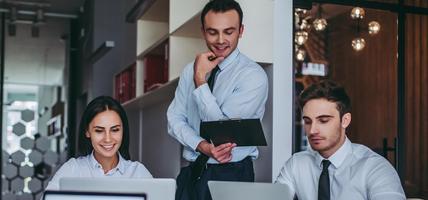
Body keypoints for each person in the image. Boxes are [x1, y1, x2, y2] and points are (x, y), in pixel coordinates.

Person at [167, 0, 268, 199]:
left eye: (228, 32)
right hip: (192, 171)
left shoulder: (253, 76)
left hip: (232, 174)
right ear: (203, 31)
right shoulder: (190, 70)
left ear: (241, 31)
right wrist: (200, 145)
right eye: (213, 32)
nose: (220, 40)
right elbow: (174, 119)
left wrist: (200, 81)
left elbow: (222, 131)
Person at [275, 80, 406, 200]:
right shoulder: (296, 164)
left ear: (345, 120)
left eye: (323, 120)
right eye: (308, 122)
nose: (312, 130)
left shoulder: (375, 168)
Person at [45, 96, 152, 191]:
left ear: (123, 131)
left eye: (115, 130)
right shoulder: (72, 169)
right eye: (99, 131)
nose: (108, 139)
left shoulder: (138, 172)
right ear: (87, 131)